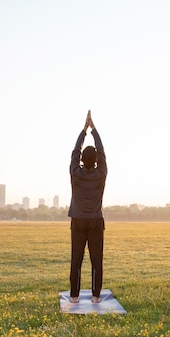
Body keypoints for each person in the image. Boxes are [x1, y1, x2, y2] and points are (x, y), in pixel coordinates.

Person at [68, 110, 107, 304]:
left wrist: (84, 130)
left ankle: (74, 296)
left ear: (82, 160)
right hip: (95, 221)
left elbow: (75, 152)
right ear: (97, 160)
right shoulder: (101, 172)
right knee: (95, 260)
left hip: (78, 220)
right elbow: (102, 152)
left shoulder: (75, 172)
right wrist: (94, 130)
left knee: (77, 259)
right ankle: (95, 296)